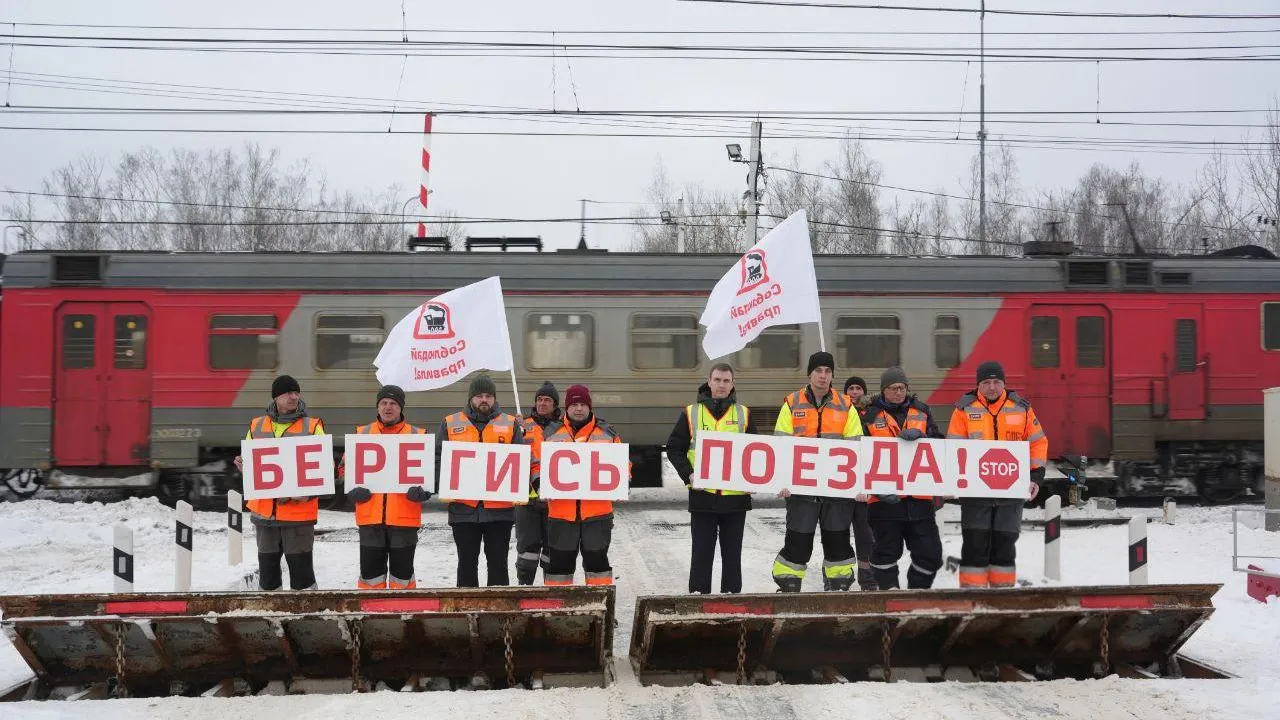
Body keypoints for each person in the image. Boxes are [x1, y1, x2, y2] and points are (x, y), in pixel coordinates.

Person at [947, 361, 1048, 588]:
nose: (992, 387)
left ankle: (1002, 595)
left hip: (1011, 488)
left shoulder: (1021, 408)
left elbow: (1038, 442)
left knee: (1005, 542)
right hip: (975, 490)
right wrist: (954, 479)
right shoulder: (964, 409)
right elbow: (954, 447)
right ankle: (972, 596)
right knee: (974, 543)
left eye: (996, 382)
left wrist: (1036, 476)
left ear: (1003, 383)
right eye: (986, 382)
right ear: (978, 385)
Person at [771, 352, 864, 592]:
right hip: (801, 489)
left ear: (832, 375)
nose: (823, 376)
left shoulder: (846, 405)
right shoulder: (792, 403)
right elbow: (781, 444)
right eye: (818, 371)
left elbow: (856, 446)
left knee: (838, 541)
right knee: (798, 541)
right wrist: (781, 480)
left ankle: (839, 584)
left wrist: (858, 485)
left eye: (827, 371)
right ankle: (788, 583)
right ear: (810, 374)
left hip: (837, 490)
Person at [666, 363, 759, 594]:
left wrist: (755, 480)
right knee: (701, 556)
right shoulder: (691, 413)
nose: (721, 385)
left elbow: (757, 453)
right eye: (717, 380)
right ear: (709, 381)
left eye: (726, 381)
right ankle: (698, 603)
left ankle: (731, 602)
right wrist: (689, 474)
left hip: (735, 500)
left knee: (732, 557)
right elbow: (674, 449)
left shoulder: (744, 414)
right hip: (703, 497)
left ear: (732, 384)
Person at [234, 374, 325, 591]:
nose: (294, 397)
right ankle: (272, 618)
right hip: (265, 516)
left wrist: (309, 493)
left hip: (298, 516)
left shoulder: (313, 426)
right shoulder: (256, 426)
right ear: (276, 397)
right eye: (288, 393)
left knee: (302, 576)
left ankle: (306, 618)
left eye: (296, 392)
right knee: (268, 577)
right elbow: (251, 464)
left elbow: (323, 469)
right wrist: (243, 467)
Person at [436, 374, 524, 588]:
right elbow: (437, 458)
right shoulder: (450, 423)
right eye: (479, 396)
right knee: (466, 564)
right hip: (463, 510)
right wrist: (442, 481)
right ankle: (467, 608)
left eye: (488, 396)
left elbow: (522, 459)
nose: (484, 400)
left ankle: (498, 613)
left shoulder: (510, 424)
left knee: (498, 565)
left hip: (499, 512)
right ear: (470, 398)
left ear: (494, 399)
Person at [340, 385, 431, 590]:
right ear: (378, 406)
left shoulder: (418, 435)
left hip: (404, 518)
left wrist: (425, 491)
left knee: (403, 577)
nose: (388, 407)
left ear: (401, 408)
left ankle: (404, 615)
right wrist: (350, 488)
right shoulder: (361, 434)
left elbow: (430, 474)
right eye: (383, 403)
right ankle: (372, 616)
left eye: (393, 403)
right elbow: (343, 470)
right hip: (370, 518)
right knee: (371, 576)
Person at [862, 367, 945, 590]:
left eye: (902, 388)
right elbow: (858, 455)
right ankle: (889, 594)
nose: (899, 392)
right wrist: (874, 487)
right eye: (893, 388)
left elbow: (940, 444)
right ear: (883, 390)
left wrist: (924, 437)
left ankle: (917, 592)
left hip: (919, 499)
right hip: (884, 501)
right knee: (886, 553)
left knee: (931, 554)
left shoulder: (922, 410)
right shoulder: (868, 416)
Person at [540, 384, 626, 586]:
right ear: (566, 407)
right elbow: (536, 463)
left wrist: (625, 480)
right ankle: (558, 612)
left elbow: (624, 464)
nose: (578, 408)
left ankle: (601, 610)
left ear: (589, 406)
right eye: (574, 404)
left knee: (598, 566)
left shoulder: (608, 434)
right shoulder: (550, 433)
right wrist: (539, 482)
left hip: (597, 514)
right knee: (559, 568)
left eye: (582, 404)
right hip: (561, 513)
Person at [514, 382, 561, 585]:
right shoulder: (523, 424)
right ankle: (525, 589)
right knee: (527, 552)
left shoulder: (564, 427)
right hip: (528, 499)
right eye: (540, 399)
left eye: (547, 400)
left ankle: (551, 592)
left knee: (553, 550)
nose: (542, 403)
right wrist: (514, 429)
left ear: (555, 404)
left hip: (555, 499)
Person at [843, 375, 876, 590]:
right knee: (839, 533)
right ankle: (840, 576)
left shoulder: (873, 414)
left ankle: (867, 577)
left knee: (865, 534)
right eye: (850, 389)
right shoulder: (839, 412)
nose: (854, 392)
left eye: (858, 388)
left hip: (865, 483)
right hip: (843, 484)